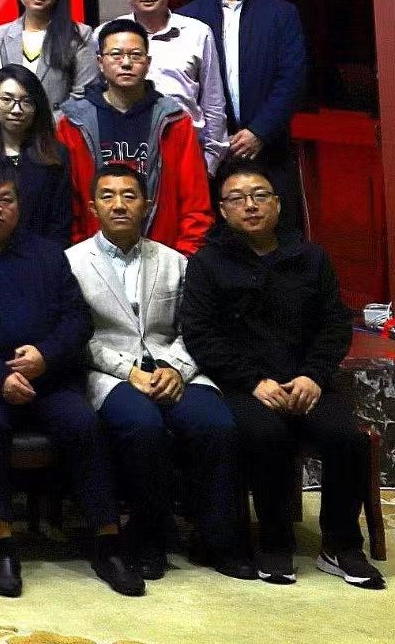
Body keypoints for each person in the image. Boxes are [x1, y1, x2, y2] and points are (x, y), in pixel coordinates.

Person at [0, 160, 142, 597]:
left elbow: (76, 319)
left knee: (83, 423)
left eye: (5, 199)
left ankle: (107, 543)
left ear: (19, 204)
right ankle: (2, 546)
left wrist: (45, 356)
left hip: (45, 375)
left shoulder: (46, 253)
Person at [180, 158, 381, 588]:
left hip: (307, 382)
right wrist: (253, 381)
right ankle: (274, 542)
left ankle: (341, 545)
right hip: (244, 385)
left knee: (347, 438)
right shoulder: (208, 263)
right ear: (222, 210)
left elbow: (334, 324)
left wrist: (313, 376)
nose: (250, 206)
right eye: (237, 198)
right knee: (266, 435)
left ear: (277, 203)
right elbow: (201, 334)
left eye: (260, 196)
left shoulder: (310, 257)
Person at [66, 164, 253, 581]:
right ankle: (147, 538)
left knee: (217, 425)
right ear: (93, 207)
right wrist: (128, 371)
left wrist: (176, 368)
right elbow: (79, 336)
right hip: (110, 373)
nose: (119, 205)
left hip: (175, 368)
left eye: (129, 195)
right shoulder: (73, 263)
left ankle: (217, 539)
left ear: (147, 205)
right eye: (108, 196)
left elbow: (195, 328)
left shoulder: (174, 261)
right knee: (142, 425)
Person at [178, 0, 309, 212]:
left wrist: (259, 131)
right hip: (208, 149)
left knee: (274, 223)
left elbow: (292, 79)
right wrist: (213, 137)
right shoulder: (187, 18)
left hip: (268, 145)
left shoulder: (281, 14)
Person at [55, 20, 216, 255]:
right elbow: (69, 205)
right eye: (116, 55)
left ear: (148, 63)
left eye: (135, 55)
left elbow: (195, 203)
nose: (126, 63)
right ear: (100, 62)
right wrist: (80, 259)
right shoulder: (73, 124)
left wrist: (184, 258)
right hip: (91, 258)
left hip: (164, 255)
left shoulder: (174, 122)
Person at [113, 0, 227, 169]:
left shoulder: (197, 32)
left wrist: (210, 163)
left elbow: (213, 102)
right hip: (127, 153)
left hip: (187, 151)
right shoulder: (109, 35)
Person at [0, 67, 75, 247]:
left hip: (40, 255)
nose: (17, 110)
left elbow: (60, 222)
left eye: (27, 101)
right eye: (6, 100)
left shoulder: (54, 154)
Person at [0, 0, 95, 113]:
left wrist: (49, 124)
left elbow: (83, 94)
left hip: (59, 125)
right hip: (8, 124)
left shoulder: (79, 35)